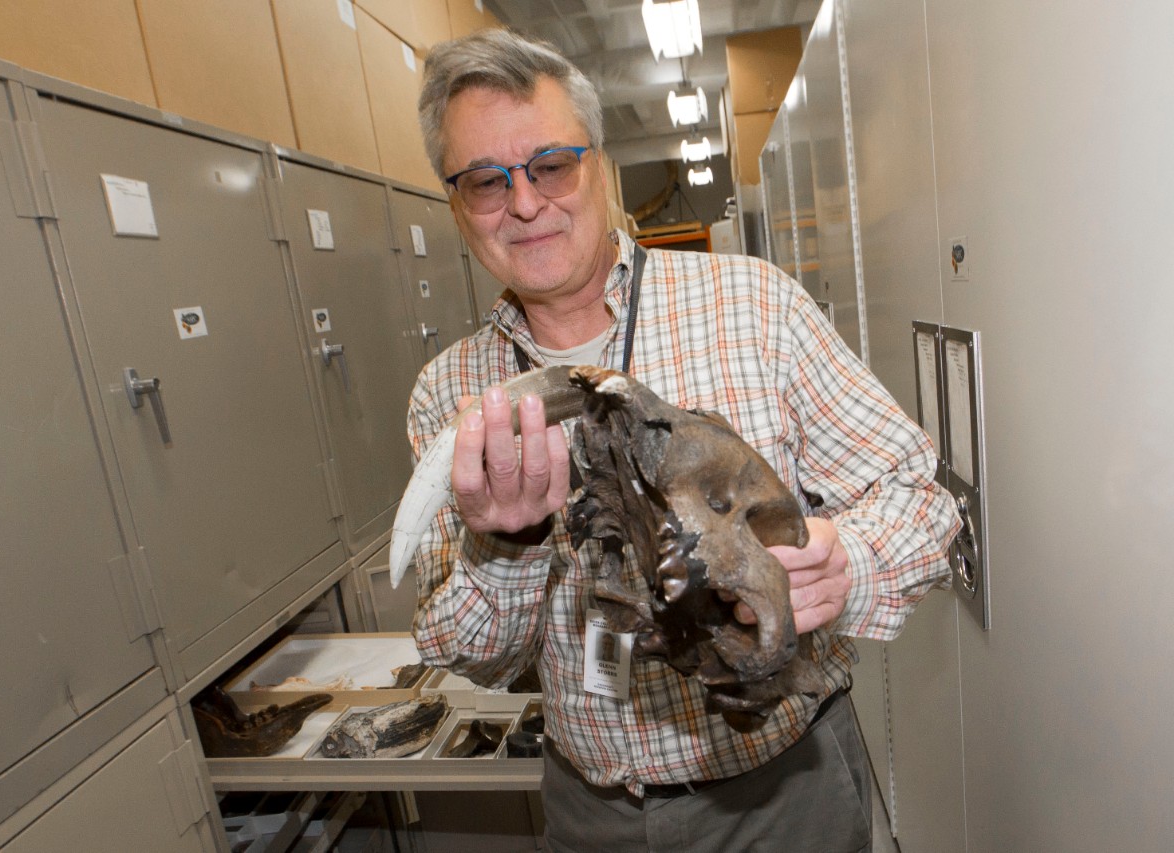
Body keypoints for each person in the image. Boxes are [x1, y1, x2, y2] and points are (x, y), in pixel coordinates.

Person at [407, 28, 959, 853]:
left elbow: (921, 496)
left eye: (551, 165)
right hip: (592, 813)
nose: (525, 204)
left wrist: (850, 565)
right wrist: (512, 540)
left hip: (782, 795)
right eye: (487, 181)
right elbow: (472, 656)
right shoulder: (448, 395)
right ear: (457, 203)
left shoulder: (754, 307)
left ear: (598, 164)